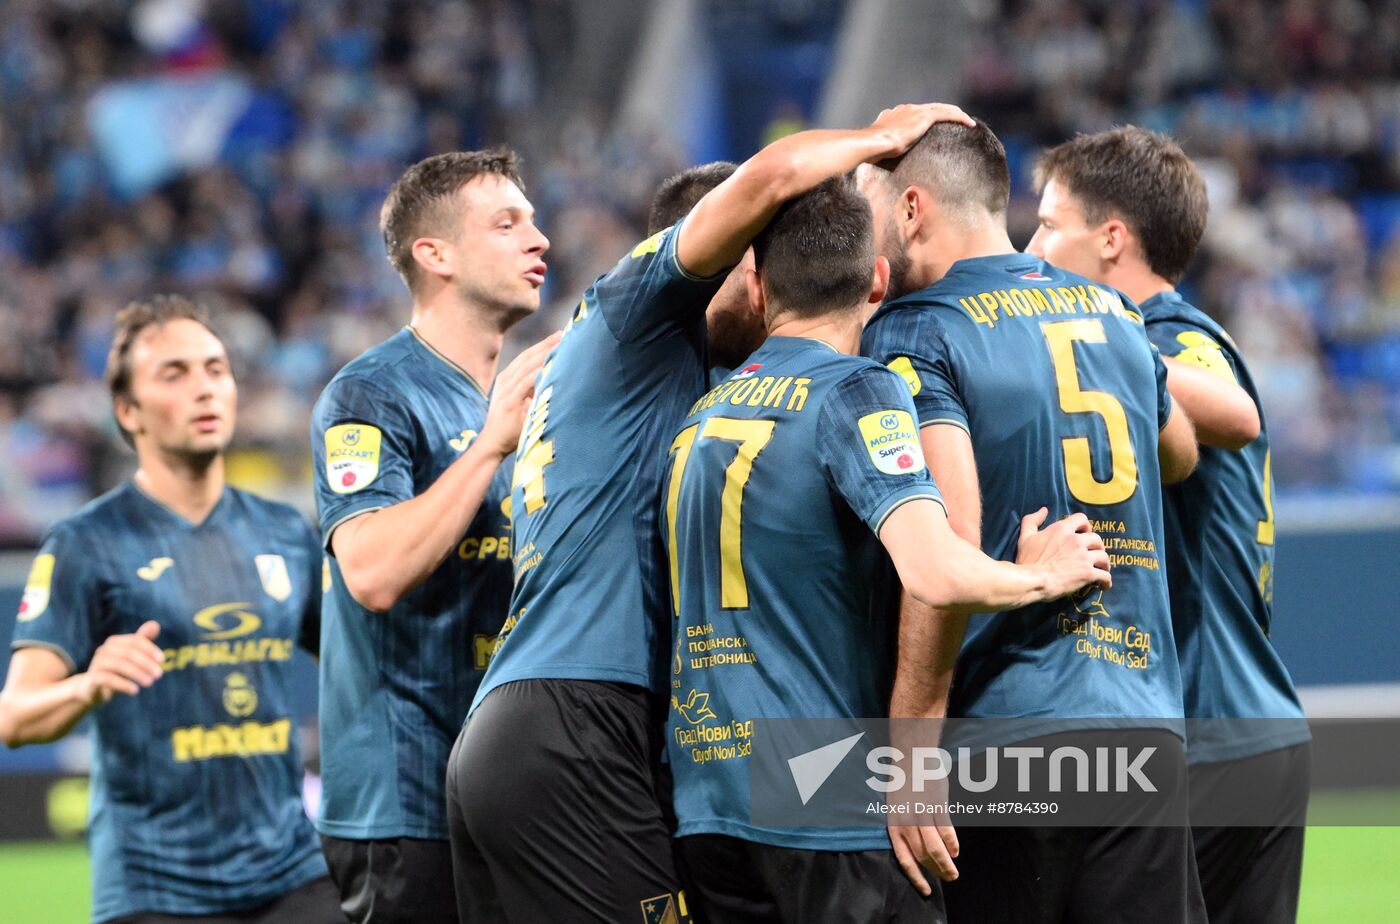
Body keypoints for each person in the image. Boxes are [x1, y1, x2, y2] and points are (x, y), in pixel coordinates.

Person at [447, 103, 979, 923]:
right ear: (721, 256)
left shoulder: (674, 385)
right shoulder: (636, 308)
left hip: (533, 724)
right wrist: (879, 142)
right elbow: (767, 176)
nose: (769, 290)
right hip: (580, 721)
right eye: (755, 259)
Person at [665, 174, 1113, 924]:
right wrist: (1036, 575)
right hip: (820, 792)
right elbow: (935, 570)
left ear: (760, 287)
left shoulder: (700, 413)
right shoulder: (855, 391)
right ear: (878, 279)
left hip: (707, 799)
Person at [858, 119, 1205, 923]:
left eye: (872, 206)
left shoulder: (916, 329)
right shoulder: (1113, 314)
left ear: (912, 210)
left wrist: (910, 755)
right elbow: (1180, 452)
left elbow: (941, 548)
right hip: (1144, 731)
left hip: (1008, 738)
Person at [1028, 126, 1311, 924]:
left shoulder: (1171, 344)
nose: (1031, 244)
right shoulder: (1170, 342)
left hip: (1205, 730)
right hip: (1248, 728)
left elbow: (1236, 415)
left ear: (1111, 239)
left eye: (1050, 225)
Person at [0, 297, 341, 924]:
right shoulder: (85, 543)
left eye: (216, 369)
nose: (205, 389)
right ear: (128, 412)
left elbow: (355, 662)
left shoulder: (285, 531)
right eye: (174, 374)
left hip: (291, 872)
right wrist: (89, 684)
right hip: (155, 888)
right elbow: (15, 718)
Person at [309, 149, 555, 924]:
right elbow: (373, 570)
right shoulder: (371, 393)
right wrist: (488, 447)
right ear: (435, 254)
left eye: (535, 219)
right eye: (507, 222)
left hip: (501, 790)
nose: (539, 239)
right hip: (403, 806)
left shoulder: (521, 401)